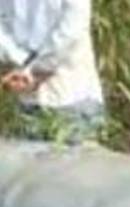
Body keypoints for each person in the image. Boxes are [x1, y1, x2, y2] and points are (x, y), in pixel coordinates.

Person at [0, 0, 104, 143]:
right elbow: (71, 29)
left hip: (71, 100)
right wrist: (29, 69)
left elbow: (72, 30)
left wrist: (27, 67)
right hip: (36, 101)